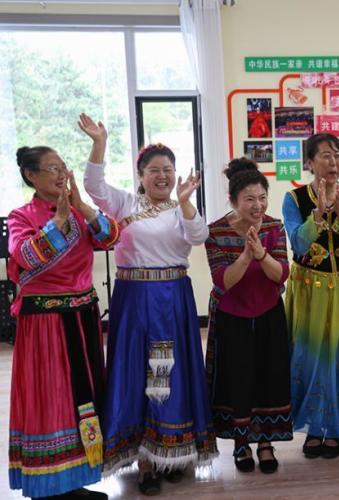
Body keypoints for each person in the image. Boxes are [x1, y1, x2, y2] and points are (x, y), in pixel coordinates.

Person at [79, 114, 217, 495]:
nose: (162, 176)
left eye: (168, 170)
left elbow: (199, 236)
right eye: (154, 170)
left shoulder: (180, 208)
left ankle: (169, 451)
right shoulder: (124, 202)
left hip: (172, 301)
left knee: (166, 372)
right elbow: (92, 186)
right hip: (135, 300)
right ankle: (144, 461)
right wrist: (100, 143)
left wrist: (186, 203)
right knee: (138, 372)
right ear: (140, 175)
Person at [8, 145, 119, 499]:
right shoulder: (21, 216)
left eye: (63, 167)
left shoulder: (79, 211)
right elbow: (26, 255)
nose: (61, 174)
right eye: (52, 168)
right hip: (46, 323)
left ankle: (75, 479)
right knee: (51, 399)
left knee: (83, 398)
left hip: (83, 316)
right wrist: (58, 220)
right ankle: (48, 484)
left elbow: (111, 237)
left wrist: (82, 207)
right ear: (31, 175)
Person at [204, 158, 292, 474]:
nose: (258, 206)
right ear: (233, 201)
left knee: (269, 378)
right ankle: (241, 445)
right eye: (249, 199)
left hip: (269, 314)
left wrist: (261, 254)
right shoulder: (215, 231)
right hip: (232, 317)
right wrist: (245, 255)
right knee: (238, 380)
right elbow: (223, 281)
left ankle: (265, 443)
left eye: (262, 198)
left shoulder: (274, 227)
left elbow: (281, 274)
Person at [282, 133, 339, 459]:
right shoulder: (294, 199)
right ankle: (314, 429)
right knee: (311, 356)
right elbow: (298, 244)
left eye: (337, 155)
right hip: (309, 288)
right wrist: (317, 214)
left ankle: (333, 428)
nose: (333, 162)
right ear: (309, 163)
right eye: (325, 155)